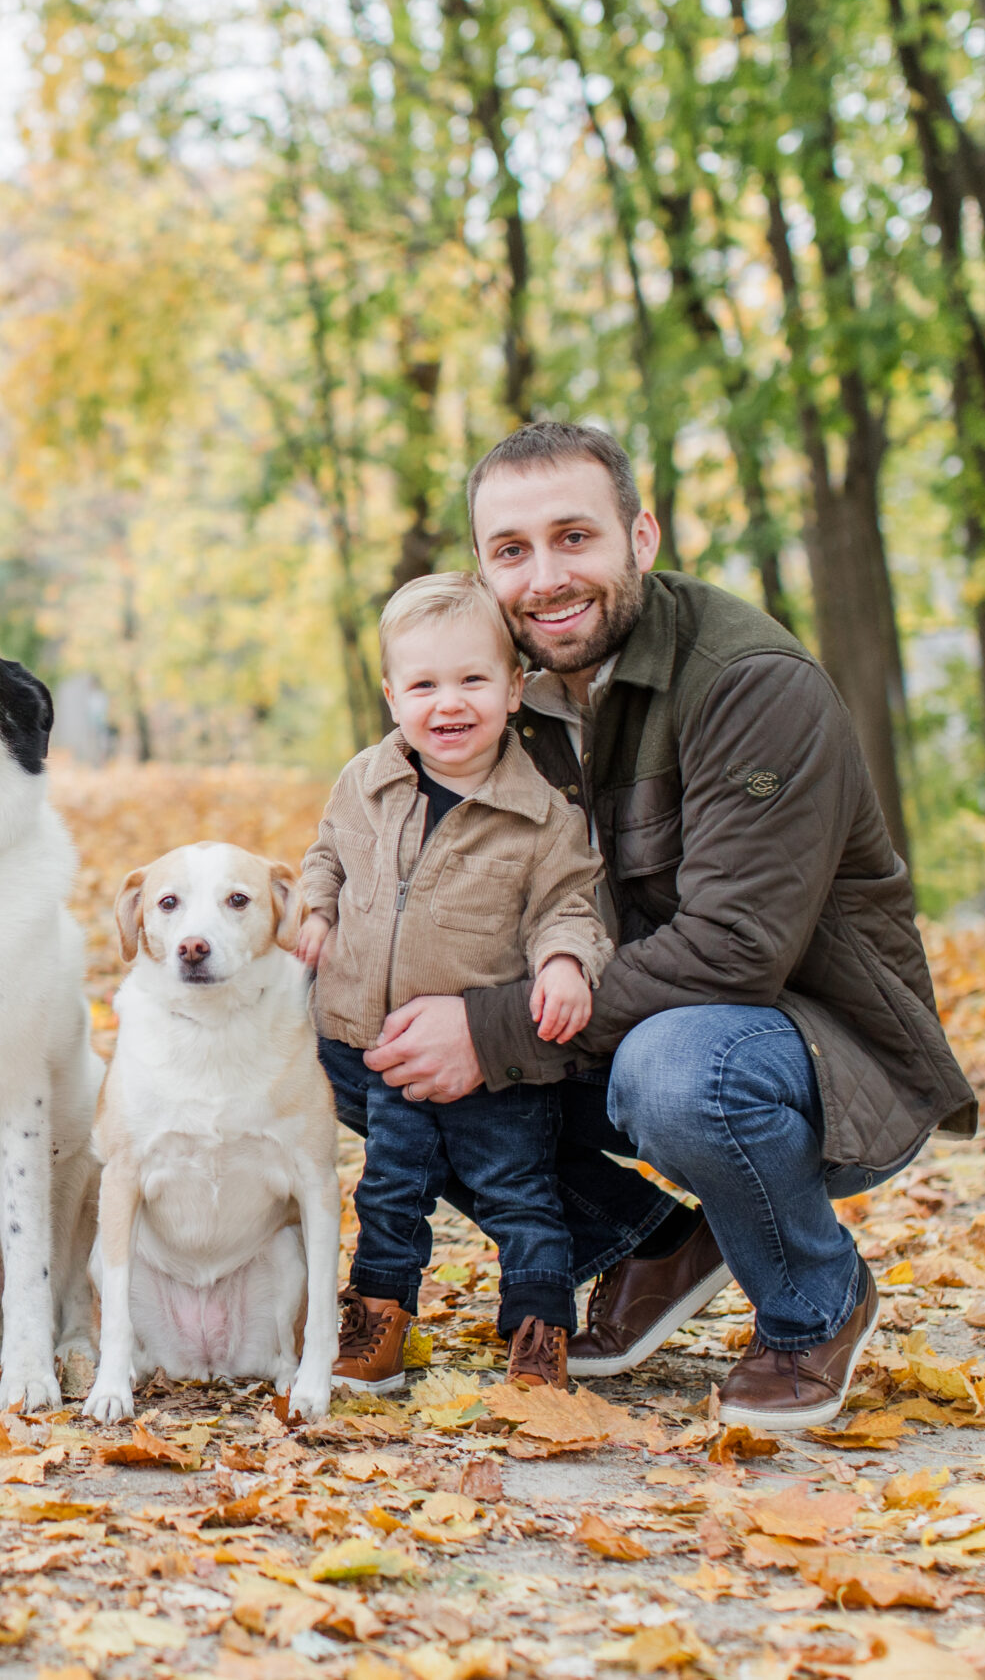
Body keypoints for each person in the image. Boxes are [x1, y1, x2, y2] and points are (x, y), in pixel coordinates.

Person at [347, 420, 977, 1429]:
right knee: (348, 1019)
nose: (546, 577)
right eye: (511, 551)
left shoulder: (749, 684)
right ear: (483, 569)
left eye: (574, 537)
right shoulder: (494, 698)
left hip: (804, 1050)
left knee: (677, 1070)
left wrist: (491, 1029)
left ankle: (812, 1301)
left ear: (641, 537)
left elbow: (734, 950)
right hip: (608, 1021)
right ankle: (652, 1241)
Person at [295, 573, 611, 1394]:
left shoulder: (542, 814)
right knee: (388, 1192)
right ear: (392, 695)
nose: (449, 703)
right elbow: (327, 854)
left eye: (473, 679)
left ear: (514, 689)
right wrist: (317, 910)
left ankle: (539, 1331)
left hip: (493, 1064)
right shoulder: (366, 781)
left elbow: (569, 906)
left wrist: (564, 962)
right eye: (424, 685)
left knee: (520, 1196)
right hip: (390, 1047)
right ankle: (378, 1320)